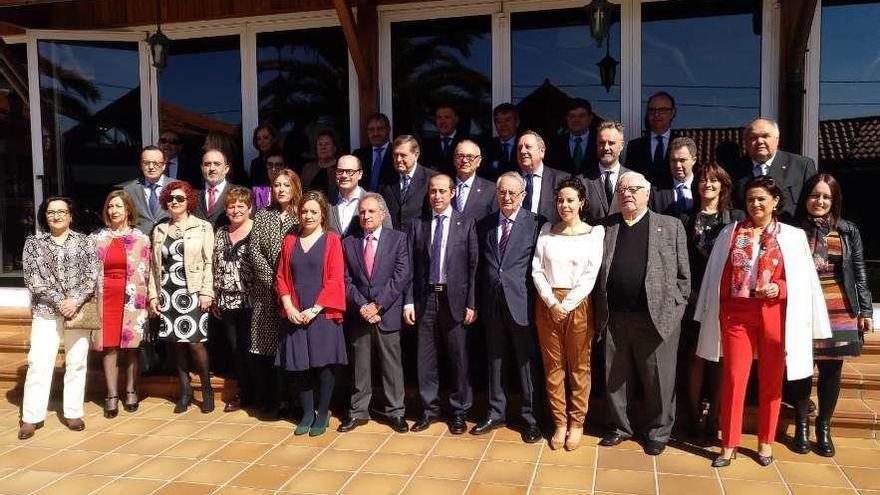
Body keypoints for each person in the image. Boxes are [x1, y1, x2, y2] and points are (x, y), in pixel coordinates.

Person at [695, 176, 831, 467]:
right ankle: (728, 444)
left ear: (775, 201)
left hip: (774, 314)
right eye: (750, 199)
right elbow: (717, 275)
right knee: (733, 378)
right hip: (737, 314)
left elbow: (802, 281)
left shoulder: (792, 236)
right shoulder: (731, 233)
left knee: (771, 380)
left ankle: (765, 442)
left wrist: (779, 288)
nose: (755, 204)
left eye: (761, 199)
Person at [594, 172, 690, 456]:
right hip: (615, 317)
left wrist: (675, 306)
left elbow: (684, 276)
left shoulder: (670, 226)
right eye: (622, 189)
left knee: (659, 380)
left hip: (658, 317)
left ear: (647, 194)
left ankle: (659, 431)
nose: (628, 194)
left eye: (634, 189)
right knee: (615, 376)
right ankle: (619, 427)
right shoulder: (605, 227)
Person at [787, 173, 873, 457]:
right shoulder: (791, 228)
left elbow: (858, 270)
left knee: (831, 371)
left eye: (826, 196)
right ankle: (801, 427)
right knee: (800, 368)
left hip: (838, 307)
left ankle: (823, 428)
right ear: (806, 198)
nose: (819, 201)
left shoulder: (847, 230)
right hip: (802, 306)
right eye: (814, 195)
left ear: (834, 200)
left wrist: (865, 309)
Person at [532, 178, 604, 450]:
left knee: (579, 367)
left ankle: (577, 423)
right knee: (553, 368)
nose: (565, 205)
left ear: (582, 203)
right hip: (547, 303)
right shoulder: (547, 232)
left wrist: (567, 304)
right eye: (561, 200)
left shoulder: (593, 233)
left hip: (578, 304)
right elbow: (537, 269)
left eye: (570, 200)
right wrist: (551, 302)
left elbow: (590, 274)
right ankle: (559, 422)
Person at [471, 172, 543, 444]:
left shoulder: (535, 223)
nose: (508, 197)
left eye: (513, 193)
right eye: (503, 192)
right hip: (492, 303)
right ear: (496, 193)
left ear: (523, 195)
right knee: (495, 359)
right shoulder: (485, 225)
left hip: (521, 302)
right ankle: (495, 411)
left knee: (526, 362)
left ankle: (531, 417)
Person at [19, 197, 98, 439]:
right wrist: (60, 302)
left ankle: (73, 411)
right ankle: (32, 417)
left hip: (78, 311)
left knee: (77, 362)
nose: (57, 216)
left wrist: (73, 301)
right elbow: (32, 279)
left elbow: (92, 274)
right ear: (45, 216)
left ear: (71, 216)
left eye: (62, 212)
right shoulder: (34, 243)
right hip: (46, 312)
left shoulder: (84, 242)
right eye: (51, 212)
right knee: (39, 363)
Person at [405, 174, 478, 434]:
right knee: (426, 358)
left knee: (459, 357)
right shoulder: (418, 225)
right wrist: (408, 302)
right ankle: (429, 410)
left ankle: (459, 410)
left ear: (452, 193)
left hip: (455, 299)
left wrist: (471, 303)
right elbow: (411, 267)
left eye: (442, 191)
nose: (437, 196)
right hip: (426, 298)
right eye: (433, 191)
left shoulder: (466, 223)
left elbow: (473, 266)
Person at [338, 193, 411, 434]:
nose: (366, 216)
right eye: (362, 212)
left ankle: (396, 411)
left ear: (382, 214)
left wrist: (377, 305)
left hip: (387, 312)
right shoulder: (348, 242)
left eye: (371, 211)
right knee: (360, 365)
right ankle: (358, 411)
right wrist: (362, 306)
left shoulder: (398, 239)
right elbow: (345, 280)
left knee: (392, 364)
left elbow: (401, 275)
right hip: (360, 315)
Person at [276, 191, 347, 436]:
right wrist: (289, 307)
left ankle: (323, 411)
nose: (308, 216)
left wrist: (315, 309)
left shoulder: (332, 240)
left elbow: (335, 279)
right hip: (295, 311)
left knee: (325, 366)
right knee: (300, 365)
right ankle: (307, 412)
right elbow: (282, 277)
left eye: (313, 212)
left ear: (323, 215)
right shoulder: (289, 240)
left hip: (322, 312)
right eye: (304, 211)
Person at [681, 163, 744, 440]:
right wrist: (689, 294)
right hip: (693, 298)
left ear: (723, 185)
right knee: (695, 358)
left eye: (714, 180)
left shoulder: (735, 219)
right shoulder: (685, 218)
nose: (707, 184)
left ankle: (714, 416)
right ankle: (694, 416)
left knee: (719, 359)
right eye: (703, 180)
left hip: (723, 299)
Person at [147, 181, 216, 414]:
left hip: (193, 291)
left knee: (195, 342)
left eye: (179, 198)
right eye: (170, 199)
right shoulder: (159, 229)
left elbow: (210, 262)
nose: (174, 202)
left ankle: (206, 389)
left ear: (189, 201)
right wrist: (153, 296)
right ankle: (185, 391)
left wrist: (207, 291)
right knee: (176, 344)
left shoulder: (203, 227)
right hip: (168, 291)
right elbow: (153, 267)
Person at [245, 168, 302, 414]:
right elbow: (255, 252)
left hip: (296, 293)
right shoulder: (262, 216)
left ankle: (295, 400)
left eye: (286, 185)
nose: (280, 190)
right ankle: (273, 400)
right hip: (267, 294)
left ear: (295, 189)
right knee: (268, 349)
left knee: (292, 346)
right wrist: (276, 285)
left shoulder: (302, 215)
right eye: (277, 185)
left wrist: (288, 288)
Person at [92, 190, 151, 418]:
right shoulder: (97, 238)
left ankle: (131, 390)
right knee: (109, 346)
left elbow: (150, 273)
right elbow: (90, 272)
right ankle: (111, 394)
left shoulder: (141, 238)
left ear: (128, 209)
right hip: (105, 296)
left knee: (131, 347)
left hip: (133, 297)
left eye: (118, 206)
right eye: (110, 207)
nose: (113, 211)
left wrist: (149, 301)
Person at [212, 186, 255, 412]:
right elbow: (214, 267)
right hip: (226, 303)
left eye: (241, 206)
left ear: (249, 208)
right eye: (231, 206)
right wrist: (215, 297)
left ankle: (256, 393)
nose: (236, 210)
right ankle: (242, 393)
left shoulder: (256, 231)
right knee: (235, 349)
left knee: (250, 349)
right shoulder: (220, 234)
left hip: (252, 302)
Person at [732, 118, 817, 221]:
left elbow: (816, 206)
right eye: (753, 137)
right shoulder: (734, 170)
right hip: (746, 234)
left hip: (790, 234)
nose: (759, 141)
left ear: (777, 139)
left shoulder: (802, 166)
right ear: (746, 142)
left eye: (765, 136)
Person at [579, 121, 632, 224]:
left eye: (611, 143)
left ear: (621, 145)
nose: (606, 147)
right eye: (602, 143)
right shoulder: (582, 181)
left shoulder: (634, 179)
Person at [381, 135, 437, 229]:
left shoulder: (432, 179)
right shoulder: (386, 179)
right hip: (394, 239)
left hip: (420, 239)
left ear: (416, 155)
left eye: (403, 155)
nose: (398, 160)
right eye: (395, 155)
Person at [625, 92, 678, 188]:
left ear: (672, 113)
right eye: (652, 110)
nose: (656, 114)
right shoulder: (634, 146)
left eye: (662, 110)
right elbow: (629, 179)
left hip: (674, 201)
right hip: (643, 201)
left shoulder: (683, 145)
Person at [329, 155, 391, 237]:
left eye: (349, 171)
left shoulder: (374, 200)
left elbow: (389, 234)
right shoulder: (328, 202)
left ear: (360, 174)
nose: (344, 175)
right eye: (340, 171)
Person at [517, 130, 570, 224]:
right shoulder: (511, 180)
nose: (522, 151)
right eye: (519, 148)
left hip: (549, 235)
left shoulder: (561, 180)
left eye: (528, 147)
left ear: (542, 151)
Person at [122, 145, 171, 236]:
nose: (151, 167)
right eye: (146, 163)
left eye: (156, 163)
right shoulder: (129, 190)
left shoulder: (176, 187)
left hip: (168, 241)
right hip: (140, 243)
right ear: (141, 165)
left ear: (164, 165)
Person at [547, 98, 598, 176]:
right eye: (572, 116)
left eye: (581, 116)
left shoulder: (600, 142)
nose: (576, 120)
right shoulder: (555, 144)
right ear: (566, 119)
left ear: (590, 118)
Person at [650, 137, 696, 218]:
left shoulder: (702, 187)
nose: (677, 165)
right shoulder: (655, 191)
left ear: (694, 160)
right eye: (673, 160)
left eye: (682, 160)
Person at [452, 139, 497, 220]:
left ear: (479, 161)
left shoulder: (491, 190)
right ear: (454, 159)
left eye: (470, 157)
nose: (464, 160)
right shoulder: (444, 186)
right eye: (460, 156)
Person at [194, 149, 237, 227]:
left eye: (217, 164)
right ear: (202, 168)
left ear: (226, 169)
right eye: (207, 164)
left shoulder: (240, 193)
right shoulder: (193, 195)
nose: (212, 168)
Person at [352, 113, 395, 192]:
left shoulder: (397, 154)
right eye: (371, 129)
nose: (375, 133)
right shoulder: (358, 155)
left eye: (380, 129)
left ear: (388, 130)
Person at [421, 105, 466, 174]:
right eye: (439, 118)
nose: (442, 121)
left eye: (447, 117)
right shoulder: (427, 144)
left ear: (456, 120)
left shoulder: (467, 143)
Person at [480, 103, 520, 181]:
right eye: (498, 121)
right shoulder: (487, 146)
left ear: (517, 122)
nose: (503, 125)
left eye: (507, 120)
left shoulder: (525, 145)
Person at [300, 129, 339, 194]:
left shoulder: (341, 169)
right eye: (320, 144)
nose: (323, 147)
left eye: (327, 144)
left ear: (334, 148)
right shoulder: (308, 168)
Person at [250, 123, 284, 187]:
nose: (262, 141)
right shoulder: (255, 163)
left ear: (273, 139)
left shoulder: (282, 159)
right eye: (258, 139)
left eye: (265, 138)